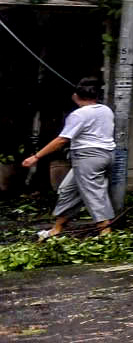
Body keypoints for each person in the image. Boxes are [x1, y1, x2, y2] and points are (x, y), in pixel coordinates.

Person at [22, 77, 116, 240]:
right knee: (68, 190)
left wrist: (36, 157)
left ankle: (106, 234)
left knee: (94, 193)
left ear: (76, 96)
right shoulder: (105, 110)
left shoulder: (78, 115)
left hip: (88, 157)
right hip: (105, 155)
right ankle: (56, 229)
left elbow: (62, 140)